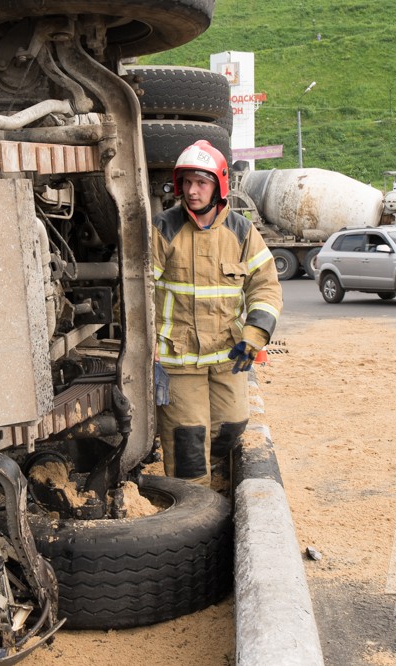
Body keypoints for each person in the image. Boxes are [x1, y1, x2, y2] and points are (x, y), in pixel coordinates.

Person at [151, 140, 283, 485]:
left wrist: (255, 335)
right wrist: (146, 344)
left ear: (219, 186)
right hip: (179, 360)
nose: (192, 191)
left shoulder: (241, 231)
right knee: (188, 443)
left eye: (201, 182)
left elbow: (266, 286)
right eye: (187, 182)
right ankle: (194, 506)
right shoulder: (164, 229)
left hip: (228, 355)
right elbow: (139, 291)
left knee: (232, 426)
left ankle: (215, 486)